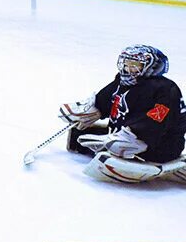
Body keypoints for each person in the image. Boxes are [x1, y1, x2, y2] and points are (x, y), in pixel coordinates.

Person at [59, 45, 186, 183]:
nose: (128, 69)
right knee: (77, 135)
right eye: (126, 64)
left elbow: (157, 118)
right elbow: (108, 97)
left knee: (117, 146)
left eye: (134, 65)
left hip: (158, 144)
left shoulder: (165, 89)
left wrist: (135, 135)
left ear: (152, 67)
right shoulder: (124, 81)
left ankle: (133, 148)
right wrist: (92, 110)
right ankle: (122, 143)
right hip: (123, 133)